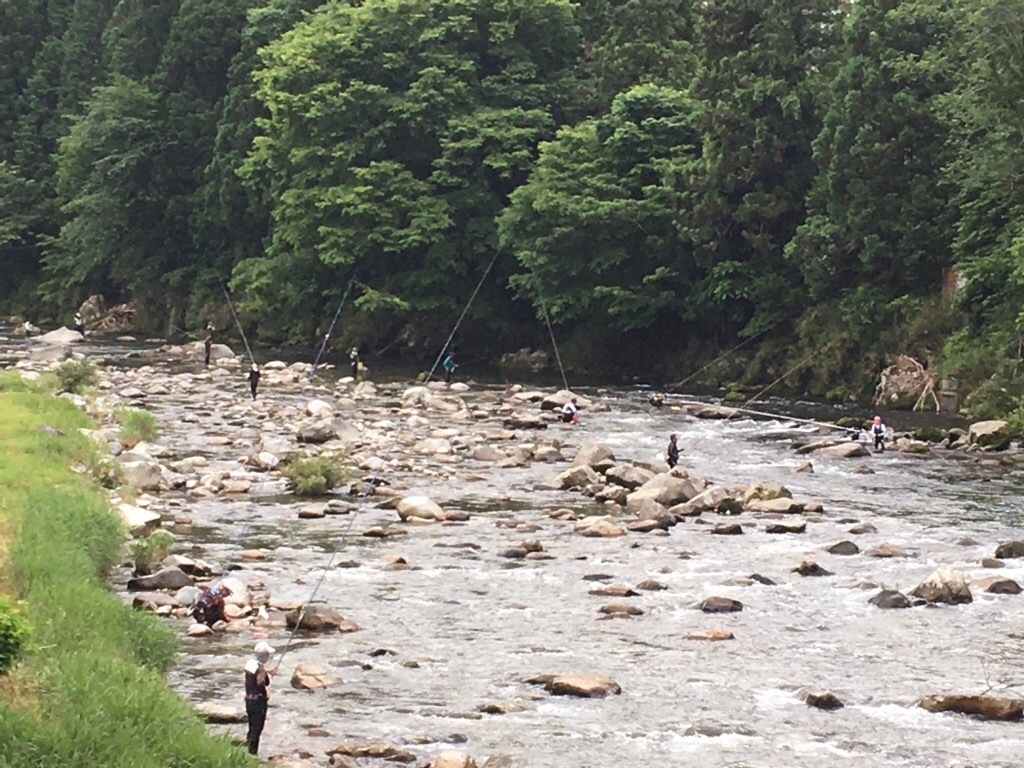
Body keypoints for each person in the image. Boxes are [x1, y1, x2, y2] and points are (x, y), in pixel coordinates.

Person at [244, 641, 275, 755]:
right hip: (258, 702)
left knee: (252, 728)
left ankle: (248, 751)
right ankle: (252, 754)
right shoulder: (260, 668)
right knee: (257, 729)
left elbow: (254, 679)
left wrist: (268, 673)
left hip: (249, 700)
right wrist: (266, 689)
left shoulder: (249, 664)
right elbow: (261, 682)